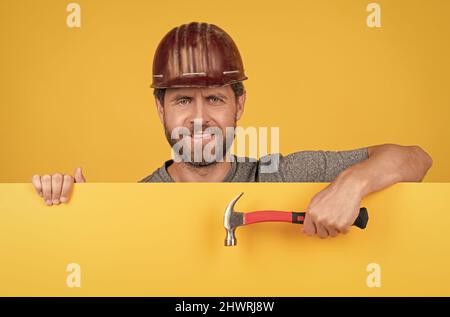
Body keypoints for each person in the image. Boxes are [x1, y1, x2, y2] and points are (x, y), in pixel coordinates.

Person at [31, 22, 433, 238]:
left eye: (216, 99)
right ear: (160, 109)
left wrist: (351, 185)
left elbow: (416, 158)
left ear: (240, 104)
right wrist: (69, 214)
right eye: (183, 100)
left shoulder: (282, 175)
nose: (200, 118)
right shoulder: (135, 205)